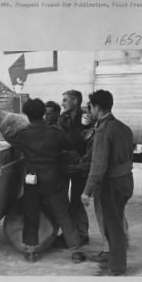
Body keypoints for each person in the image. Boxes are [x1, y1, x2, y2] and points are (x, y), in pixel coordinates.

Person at [0, 98, 81, 263]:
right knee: (63, 214)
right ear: (43, 113)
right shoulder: (55, 132)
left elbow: (10, 138)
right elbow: (70, 146)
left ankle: (31, 251)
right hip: (54, 180)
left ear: (27, 115)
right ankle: (75, 250)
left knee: (31, 214)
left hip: (32, 181)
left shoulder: (23, 135)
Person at [84, 90, 134, 275]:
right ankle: (116, 257)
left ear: (97, 107)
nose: (89, 110)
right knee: (117, 220)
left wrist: (87, 191)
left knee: (112, 225)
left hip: (111, 183)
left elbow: (98, 166)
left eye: (90, 106)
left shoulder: (103, 130)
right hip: (127, 180)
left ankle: (118, 266)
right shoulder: (123, 127)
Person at [57, 90, 90, 247]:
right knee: (64, 201)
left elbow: (87, 139)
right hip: (66, 164)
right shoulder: (63, 117)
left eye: (65, 100)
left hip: (80, 165)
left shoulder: (86, 117)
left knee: (77, 201)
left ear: (75, 101)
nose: (62, 103)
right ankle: (69, 233)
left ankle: (82, 234)